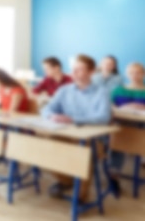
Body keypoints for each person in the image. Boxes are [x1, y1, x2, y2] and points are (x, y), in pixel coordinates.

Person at [41, 54, 111, 201]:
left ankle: (80, 195)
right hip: (67, 134)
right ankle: (67, 181)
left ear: (91, 72)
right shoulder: (64, 90)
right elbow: (46, 109)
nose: (74, 73)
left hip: (93, 139)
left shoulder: (101, 92)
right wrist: (51, 116)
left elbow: (104, 118)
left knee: (83, 152)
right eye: (73, 69)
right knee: (43, 146)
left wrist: (72, 119)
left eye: (79, 69)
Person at [108, 62, 145, 193]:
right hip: (122, 125)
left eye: (138, 72)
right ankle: (114, 175)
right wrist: (123, 108)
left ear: (143, 74)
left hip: (142, 126)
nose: (135, 75)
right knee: (119, 138)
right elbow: (110, 106)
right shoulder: (118, 90)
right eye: (132, 72)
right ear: (127, 74)